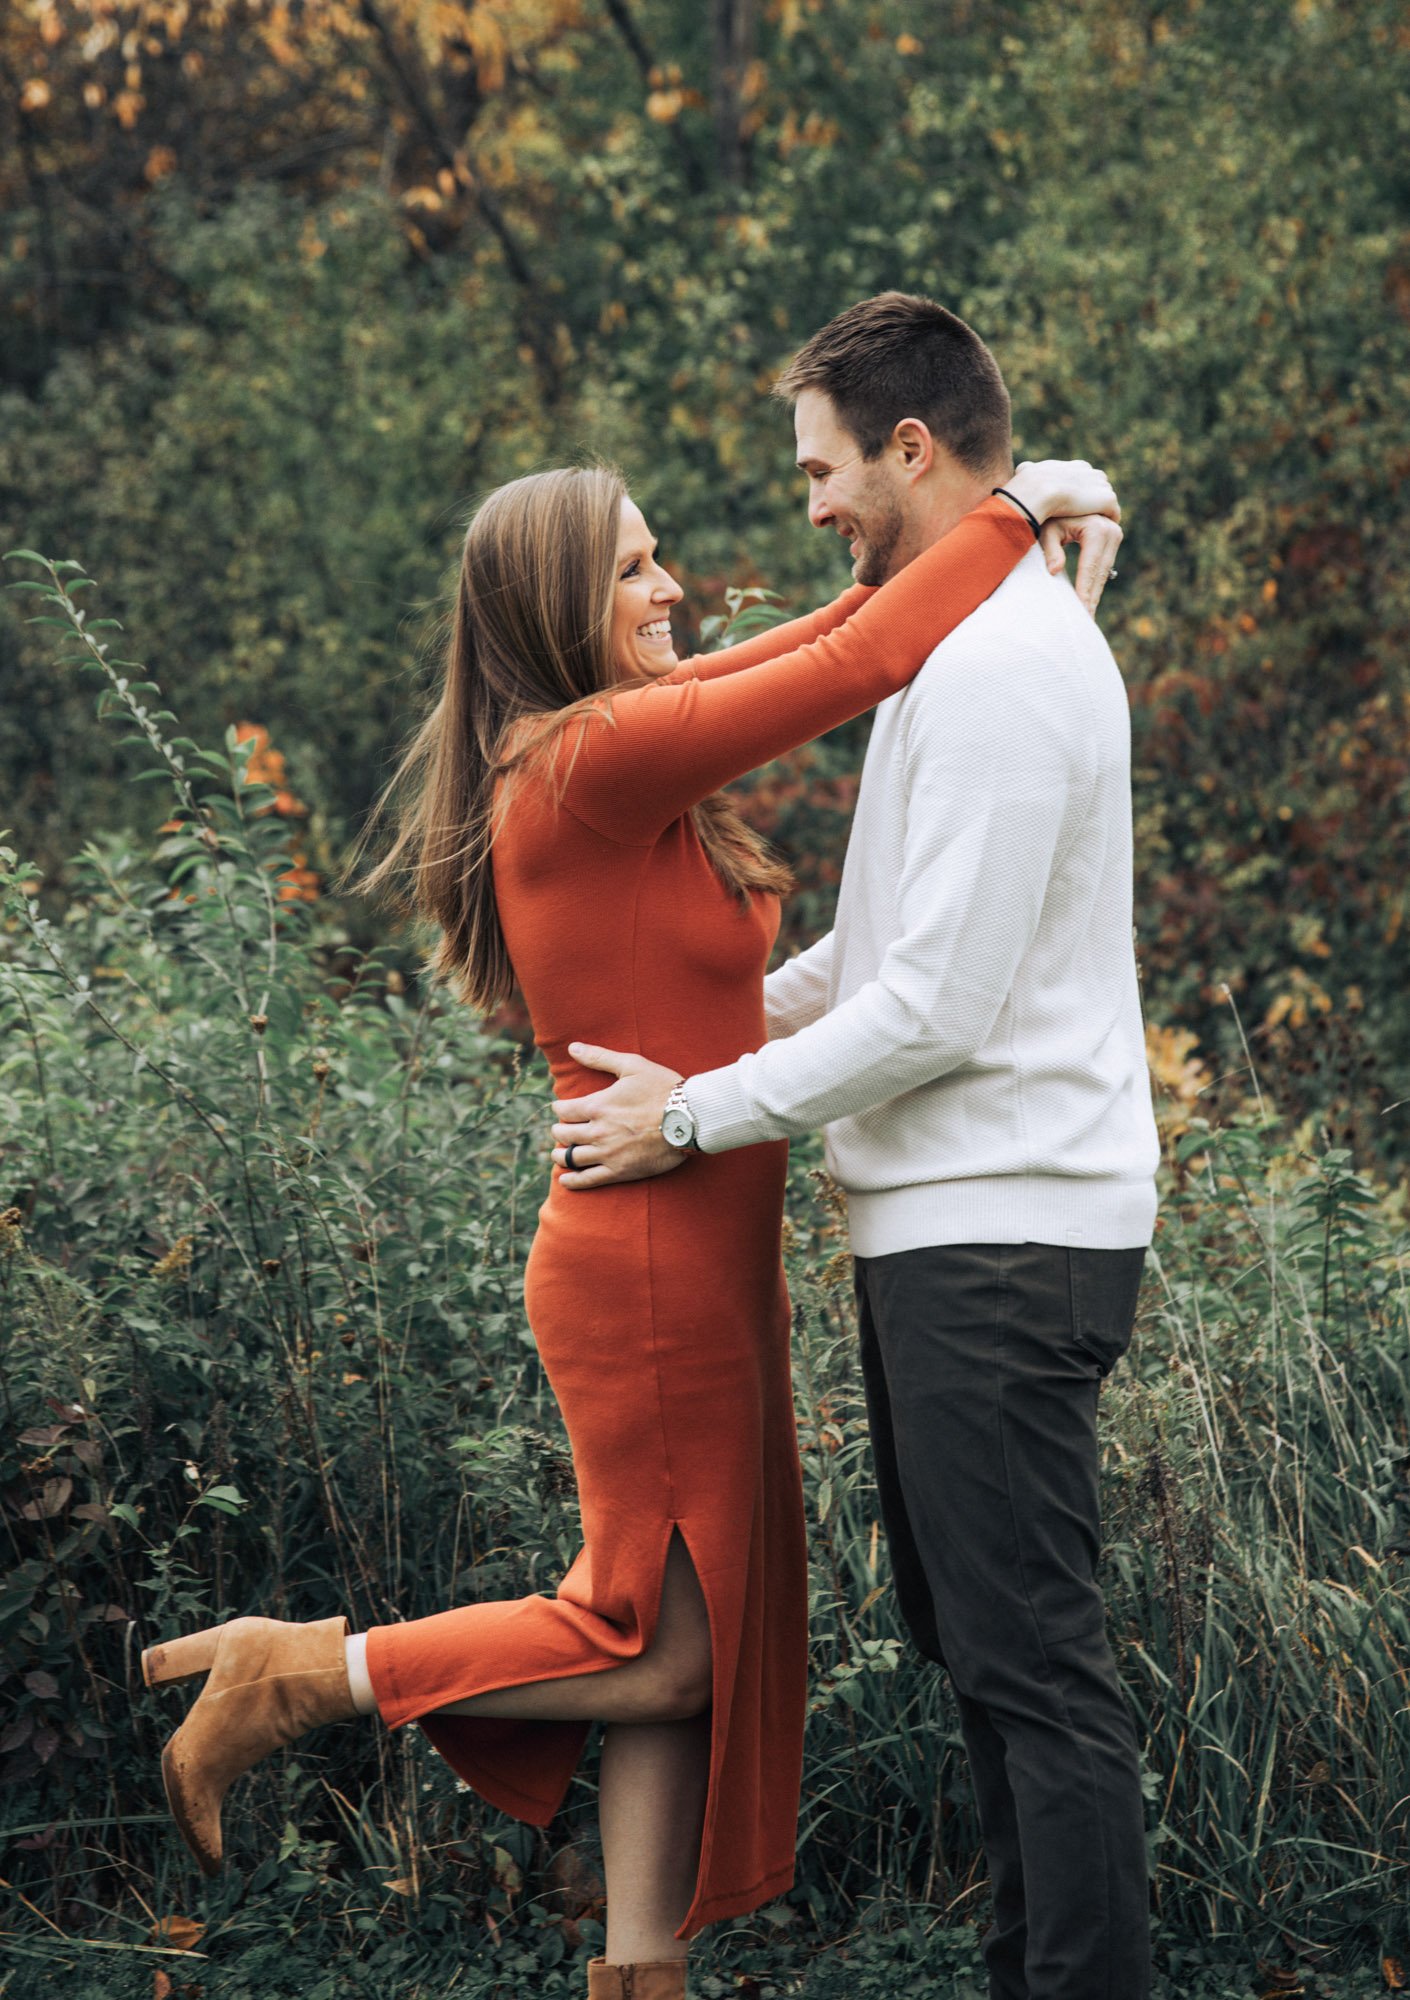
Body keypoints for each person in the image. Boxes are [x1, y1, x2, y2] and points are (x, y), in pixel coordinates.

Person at [138, 442, 1120, 2000]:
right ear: (547, 602)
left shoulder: (609, 748)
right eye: (632, 570)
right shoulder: (585, 760)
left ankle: (640, 1972)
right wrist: (1024, 492)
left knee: (687, 1651)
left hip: (698, 1256)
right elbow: (862, 654)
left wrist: (1006, 573)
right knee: (654, 1644)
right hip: (645, 1262)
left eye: (661, 561)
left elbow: (832, 629)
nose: (670, 591)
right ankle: (306, 1672)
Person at [550, 293, 1160, 2000]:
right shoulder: (953, 637)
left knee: (1032, 1671)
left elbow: (935, 1014)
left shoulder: (990, 667)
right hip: (954, 1228)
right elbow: (875, 957)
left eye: (824, 468)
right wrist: (696, 1044)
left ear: (909, 450)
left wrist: (690, 1113)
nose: (807, 504)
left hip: (1005, 1231)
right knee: (982, 1658)